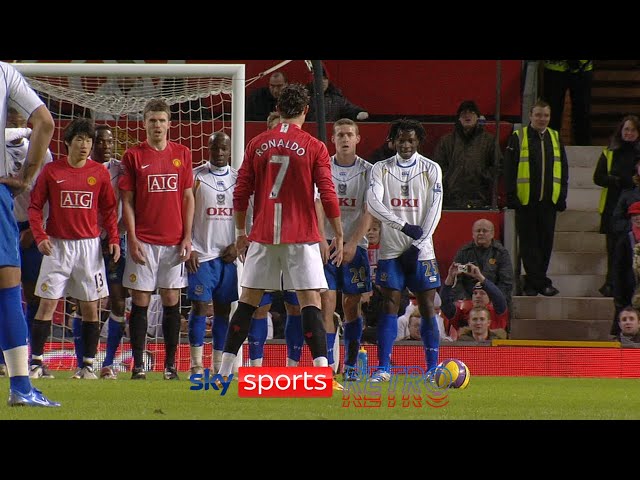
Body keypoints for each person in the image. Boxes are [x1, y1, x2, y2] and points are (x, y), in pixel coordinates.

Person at [216, 83, 344, 381]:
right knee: (309, 300)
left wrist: (239, 231)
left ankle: (223, 372)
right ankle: (322, 374)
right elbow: (327, 192)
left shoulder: (257, 143)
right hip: (301, 236)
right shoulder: (314, 146)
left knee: (248, 301)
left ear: (278, 109)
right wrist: (337, 233)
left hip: (262, 234)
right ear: (305, 111)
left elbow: (241, 191)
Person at [28, 118, 120, 381]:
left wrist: (112, 238)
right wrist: (40, 235)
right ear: (68, 142)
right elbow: (35, 207)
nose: (85, 145)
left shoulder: (99, 173)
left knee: (91, 308)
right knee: (46, 304)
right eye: (80, 139)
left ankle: (87, 366)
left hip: (89, 248)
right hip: (57, 246)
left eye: (89, 140)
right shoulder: (52, 171)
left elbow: (108, 210)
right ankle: (37, 363)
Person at [119, 98, 195, 380]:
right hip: (145, 241)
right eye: (152, 120)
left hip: (174, 242)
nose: (157, 125)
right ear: (144, 123)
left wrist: (188, 236)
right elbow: (126, 201)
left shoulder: (183, 154)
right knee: (139, 300)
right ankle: (138, 365)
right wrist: (133, 237)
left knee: (171, 299)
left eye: (162, 120)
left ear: (169, 124)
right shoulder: (133, 156)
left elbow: (188, 196)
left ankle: (170, 365)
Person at [0, 62, 59, 407]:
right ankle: (21, 386)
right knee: (8, 289)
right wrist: (25, 177)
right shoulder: (5, 72)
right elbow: (46, 123)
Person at [367, 118, 443, 382]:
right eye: (401, 139)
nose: (406, 144)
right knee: (389, 305)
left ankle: (432, 368)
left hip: (422, 252)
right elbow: (373, 204)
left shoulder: (431, 168)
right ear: (393, 140)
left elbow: (435, 210)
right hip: (390, 250)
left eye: (411, 140)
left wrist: (418, 244)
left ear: (418, 141)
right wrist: (402, 226)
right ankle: (383, 368)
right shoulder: (380, 169)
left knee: (426, 307)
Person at [316, 118, 373, 382]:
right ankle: (326, 367)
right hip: (326, 242)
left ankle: (350, 364)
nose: (345, 139)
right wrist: (319, 238)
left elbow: (368, 210)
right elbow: (317, 203)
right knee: (326, 301)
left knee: (352, 305)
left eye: (350, 134)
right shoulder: (323, 165)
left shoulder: (368, 171)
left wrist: (352, 243)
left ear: (358, 138)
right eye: (340, 135)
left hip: (355, 246)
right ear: (333, 139)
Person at [186, 132, 239, 376]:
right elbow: (182, 211)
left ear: (229, 151)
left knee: (223, 311)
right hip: (202, 254)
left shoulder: (239, 179)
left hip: (227, 257)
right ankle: (196, 365)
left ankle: (218, 366)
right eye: (215, 148)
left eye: (223, 149)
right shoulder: (195, 176)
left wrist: (240, 244)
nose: (219, 153)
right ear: (208, 148)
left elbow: (248, 216)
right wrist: (189, 246)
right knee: (199, 307)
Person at [504, 99, 569, 297]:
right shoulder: (518, 136)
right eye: (538, 115)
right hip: (526, 201)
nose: (542, 119)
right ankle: (540, 282)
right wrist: (511, 195)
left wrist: (562, 196)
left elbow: (563, 169)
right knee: (528, 244)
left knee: (545, 243)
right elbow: (509, 168)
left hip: (549, 201)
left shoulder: (556, 137)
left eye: (546, 115)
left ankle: (533, 282)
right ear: (530, 116)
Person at [83, 125, 128, 380]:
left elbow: (129, 204)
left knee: (118, 299)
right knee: (87, 301)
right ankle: (84, 361)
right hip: (87, 241)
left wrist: (115, 235)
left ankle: (108, 363)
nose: (106, 146)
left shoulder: (122, 169)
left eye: (109, 142)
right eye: (100, 141)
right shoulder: (82, 166)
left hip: (114, 241)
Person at [593, 115, 640, 297]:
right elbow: (598, 177)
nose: (629, 133)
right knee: (613, 249)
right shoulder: (610, 151)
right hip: (612, 207)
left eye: (633, 130)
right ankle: (611, 283)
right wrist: (616, 181)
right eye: (626, 129)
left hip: (634, 207)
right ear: (621, 131)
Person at [433, 100, 501, 209]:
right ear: (458, 118)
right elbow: (437, 167)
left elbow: (497, 166)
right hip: (451, 200)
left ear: (478, 117)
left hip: (480, 199)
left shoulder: (489, 141)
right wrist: (449, 179)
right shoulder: (446, 141)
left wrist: (483, 176)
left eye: (471, 112)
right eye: (463, 113)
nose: (467, 115)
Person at [452, 218, 514, 306]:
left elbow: (506, 282)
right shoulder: (464, 253)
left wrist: (494, 301)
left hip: (494, 302)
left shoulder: (500, 253)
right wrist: (466, 301)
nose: (481, 233)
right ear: (473, 234)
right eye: (478, 231)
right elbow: (456, 280)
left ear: (492, 234)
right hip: (468, 301)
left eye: (484, 231)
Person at [440, 263, 509, 332]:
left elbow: (499, 297)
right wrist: (450, 277)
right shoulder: (463, 314)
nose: (478, 296)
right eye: (475, 293)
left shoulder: (497, 313)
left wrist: (479, 276)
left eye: (482, 293)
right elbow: (444, 302)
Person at [542, 60, 593, 146]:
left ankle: (583, 151)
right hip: (554, 68)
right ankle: (549, 150)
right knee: (552, 114)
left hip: (582, 67)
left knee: (582, 115)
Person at [611, 201, 640, 336]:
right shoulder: (625, 239)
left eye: (639, 215)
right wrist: (618, 295)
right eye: (634, 215)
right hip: (629, 289)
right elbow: (618, 267)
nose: (637, 218)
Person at [93, 77, 160, 121]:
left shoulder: (145, 89)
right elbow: (98, 111)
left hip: (139, 127)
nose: (125, 76)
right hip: (109, 127)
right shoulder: (105, 88)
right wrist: (112, 124)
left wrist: (134, 121)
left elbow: (151, 113)